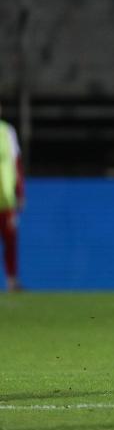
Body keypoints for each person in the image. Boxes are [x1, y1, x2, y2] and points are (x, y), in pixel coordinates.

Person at [0, 102, 24, 292]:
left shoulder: (8, 132)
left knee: (10, 241)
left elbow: (16, 164)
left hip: (6, 199)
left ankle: (11, 281)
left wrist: (20, 192)